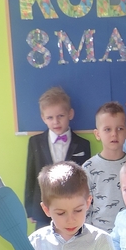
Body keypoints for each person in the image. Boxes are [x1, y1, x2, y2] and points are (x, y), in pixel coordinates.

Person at [25, 86, 91, 229]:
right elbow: (30, 175)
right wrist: (30, 208)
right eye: (50, 117)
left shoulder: (83, 144)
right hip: (44, 209)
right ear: (43, 118)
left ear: (70, 114)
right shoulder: (35, 142)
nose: (56, 121)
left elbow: (86, 178)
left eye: (60, 116)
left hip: (72, 209)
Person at [83, 101, 126, 232]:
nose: (114, 134)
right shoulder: (88, 167)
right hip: (99, 235)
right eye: (107, 129)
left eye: (120, 129)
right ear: (97, 134)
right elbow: (84, 207)